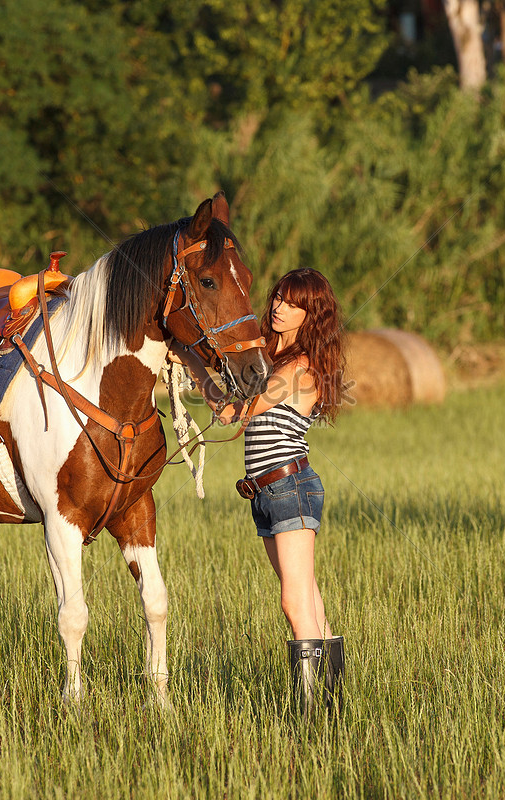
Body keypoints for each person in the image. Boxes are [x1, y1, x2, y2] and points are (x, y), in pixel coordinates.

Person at [170, 267, 347, 712]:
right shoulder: (271, 361)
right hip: (266, 493)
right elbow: (225, 399)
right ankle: (331, 707)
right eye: (279, 298)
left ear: (311, 314)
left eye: (292, 303)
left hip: (290, 487)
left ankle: (313, 716)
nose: (278, 307)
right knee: (308, 599)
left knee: (294, 601)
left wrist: (190, 359)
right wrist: (191, 358)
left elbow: (232, 412)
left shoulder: (298, 368)